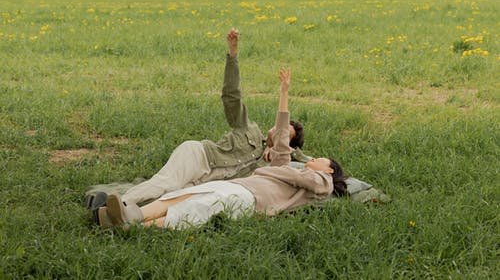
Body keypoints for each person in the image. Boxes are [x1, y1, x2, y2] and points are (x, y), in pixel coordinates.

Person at [92, 29, 306, 222]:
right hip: (200, 158)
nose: (279, 130)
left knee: (171, 197)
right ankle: (112, 206)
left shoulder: (272, 169)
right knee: (165, 183)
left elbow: (308, 165)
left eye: (285, 133)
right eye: (280, 126)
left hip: (208, 182)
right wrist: (232, 55)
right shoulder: (250, 129)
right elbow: (232, 97)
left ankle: (116, 216)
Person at [101, 68, 347, 229]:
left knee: (191, 207)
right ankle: (127, 214)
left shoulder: (318, 181)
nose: (314, 159)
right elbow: (280, 132)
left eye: (320, 159)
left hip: (249, 197)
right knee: (175, 196)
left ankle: (129, 224)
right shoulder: (277, 161)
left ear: (329, 170)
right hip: (224, 177)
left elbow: (309, 175)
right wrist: (284, 92)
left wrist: (290, 162)